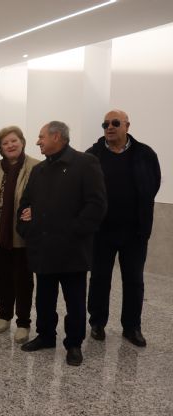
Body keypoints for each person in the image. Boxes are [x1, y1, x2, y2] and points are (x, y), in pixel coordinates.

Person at [17, 121, 106, 366]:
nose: (38, 141)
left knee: (75, 301)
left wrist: (73, 231)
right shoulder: (39, 170)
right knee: (44, 297)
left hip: (72, 248)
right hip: (43, 246)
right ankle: (46, 335)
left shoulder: (86, 163)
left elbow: (96, 205)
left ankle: (74, 343)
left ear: (57, 137)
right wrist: (26, 228)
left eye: (41, 136)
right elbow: (25, 204)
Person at [87, 110, 161, 347]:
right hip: (101, 231)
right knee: (99, 278)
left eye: (115, 123)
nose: (109, 127)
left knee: (134, 280)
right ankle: (97, 323)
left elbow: (153, 183)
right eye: (105, 124)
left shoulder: (145, 154)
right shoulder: (92, 155)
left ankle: (132, 327)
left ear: (127, 126)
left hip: (134, 231)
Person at [0, 126, 39, 343]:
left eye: (14, 141)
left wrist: (36, 209)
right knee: (2, 277)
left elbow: (45, 196)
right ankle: (4, 315)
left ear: (22, 142)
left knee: (23, 280)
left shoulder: (36, 166)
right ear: (0, 148)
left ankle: (23, 322)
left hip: (23, 234)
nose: (10, 145)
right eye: (5, 143)